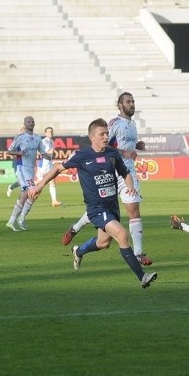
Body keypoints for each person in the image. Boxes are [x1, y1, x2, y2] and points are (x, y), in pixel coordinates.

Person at [29, 118, 157, 289]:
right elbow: (58, 168)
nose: (105, 136)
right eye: (101, 134)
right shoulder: (82, 156)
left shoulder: (112, 154)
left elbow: (125, 173)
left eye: (106, 133)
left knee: (103, 243)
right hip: (96, 208)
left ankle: (79, 251)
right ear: (92, 137)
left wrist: (130, 186)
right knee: (121, 234)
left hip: (112, 206)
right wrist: (39, 185)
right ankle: (142, 277)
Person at [62, 92, 152, 267]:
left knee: (133, 210)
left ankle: (139, 253)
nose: (132, 104)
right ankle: (75, 228)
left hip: (127, 172)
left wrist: (135, 146)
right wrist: (125, 152)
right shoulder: (114, 124)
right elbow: (105, 147)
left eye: (133, 101)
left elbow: (122, 145)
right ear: (120, 105)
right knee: (100, 209)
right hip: (109, 171)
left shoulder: (132, 124)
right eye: (128, 102)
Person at [5, 116, 51, 231]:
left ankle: (19, 219)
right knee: (28, 193)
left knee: (33, 193)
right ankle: (16, 220)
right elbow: (9, 151)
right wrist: (19, 152)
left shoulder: (37, 138)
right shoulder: (20, 137)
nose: (31, 123)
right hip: (22, 168)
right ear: (24, 124)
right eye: (28, 121)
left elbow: (42, 151)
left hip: (31, 169)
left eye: (32, 121)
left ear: (34, 123)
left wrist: (47, 156)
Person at [38, 126, 63, 207]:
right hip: (44, 164)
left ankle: (54, 201)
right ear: (45, 133)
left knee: (51, 181)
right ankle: (28, 192)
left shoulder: (51, 141)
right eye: (48, 132)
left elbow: (50, 153)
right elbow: (39, 152)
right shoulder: (44, 141)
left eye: (51, 131)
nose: (50, 133)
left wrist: (52, 153)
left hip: (49, 163)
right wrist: (49, 151)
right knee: (40, 182)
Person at [6, 125, 25, 198]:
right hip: (18, 163)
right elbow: (10, 151)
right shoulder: (17, 139)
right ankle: (12, 188)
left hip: (26, 164)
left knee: (24, 182)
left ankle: (20, 199)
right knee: (22, 182)